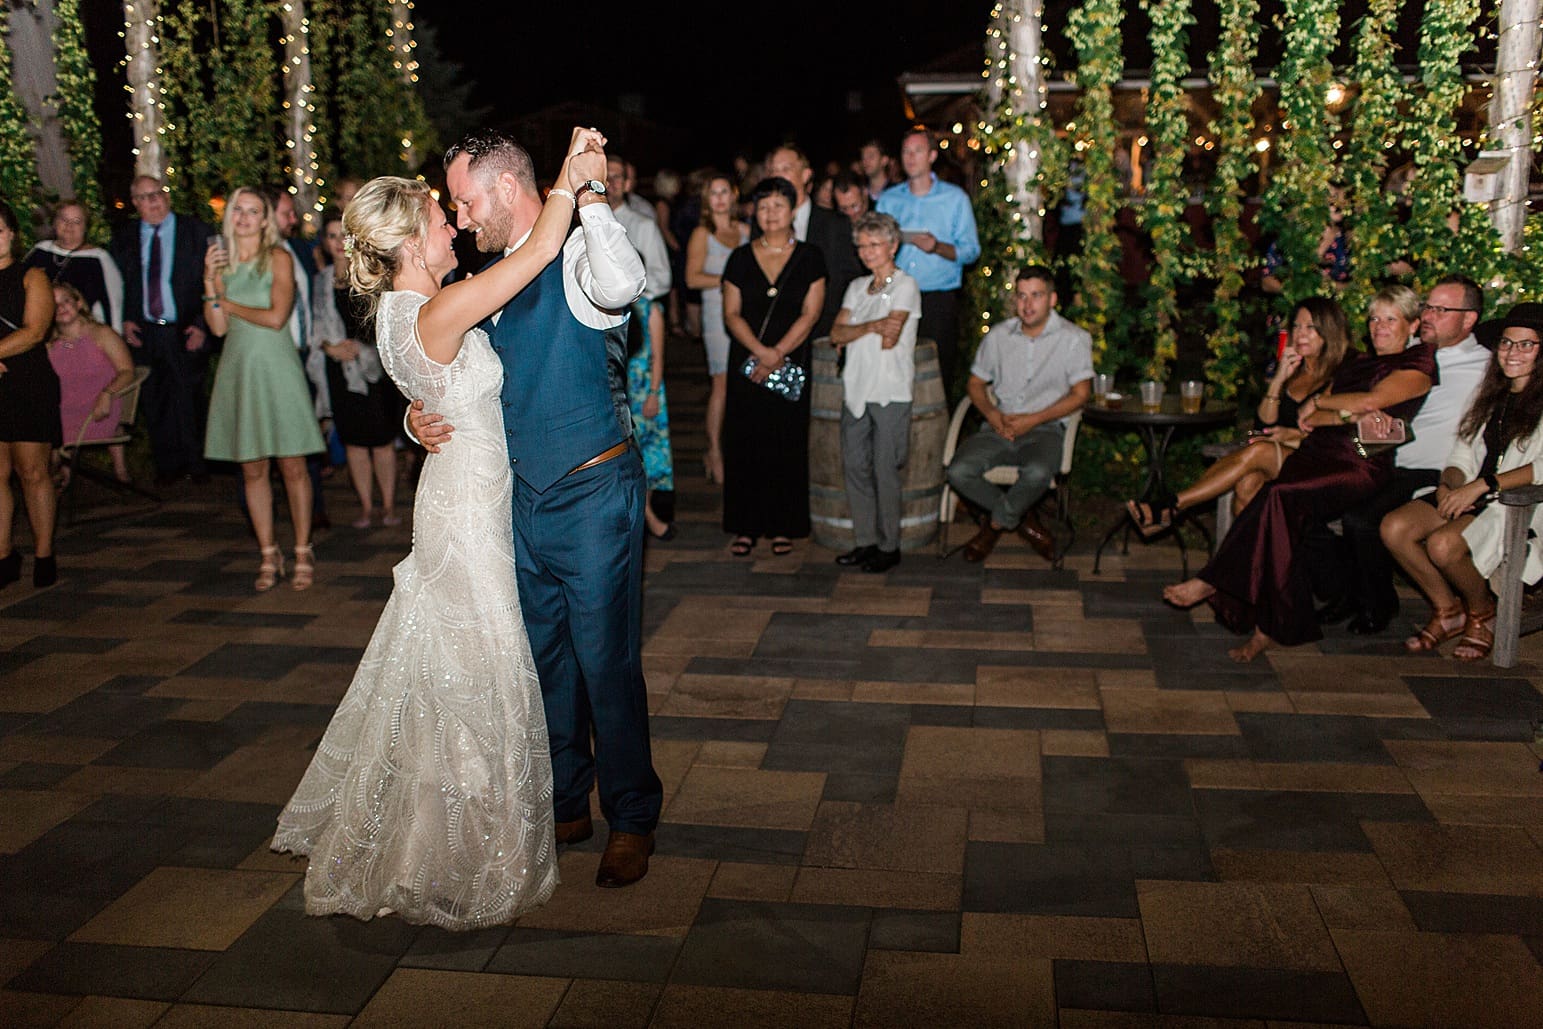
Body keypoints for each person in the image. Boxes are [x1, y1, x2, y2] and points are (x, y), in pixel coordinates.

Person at [274, 133, 596, 927]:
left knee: (448, 669)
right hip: (468, 509)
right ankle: (472, 846)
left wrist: (422, 421)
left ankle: (442, 834)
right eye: (439, 217)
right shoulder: (443, 305)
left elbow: (433, 385)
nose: (453, 224)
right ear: (413, 241)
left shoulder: (397, 314)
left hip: (458, 491)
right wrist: (566, 172)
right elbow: (544, 245)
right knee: (478, 668)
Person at [416, 128, 661, 889]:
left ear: (509, 189)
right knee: (544, 659)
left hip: (591, 494)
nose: (458, 217)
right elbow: (445, 375)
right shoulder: (490, 279)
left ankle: (631, 815)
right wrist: (413, 419)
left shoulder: (583, 255)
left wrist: (588, 197)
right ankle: (565, 797)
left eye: (465, 199)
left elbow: (625, 286)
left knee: (606, 662)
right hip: (515, 502)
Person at [1163, 288, 1436, 662]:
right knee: (1270, 507)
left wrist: (1326, 403)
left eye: (1390, 319)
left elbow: (1368, 406)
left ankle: (1214, 578)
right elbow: (1316, 421)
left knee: (1275, 495)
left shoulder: (1417, 365)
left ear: (1413, 325)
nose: (1379, 327)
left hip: (1360, 463)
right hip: (1318, 452)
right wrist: (1336, 412)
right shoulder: (1356, 364)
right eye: (1374, 319)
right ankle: (1268, 627)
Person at [1312, 275, 1490, 633]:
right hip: (1385, 459)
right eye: (1427, 307)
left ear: (1468, 319)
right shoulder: (1410, 357)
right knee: (1314, 505)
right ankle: (1348, 592)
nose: (1429, 316)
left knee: (1361, 521)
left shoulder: (1487, 367)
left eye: (1441, 310)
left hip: (1434, 471)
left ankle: (1378, 604)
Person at [1380, 304, 1543, 661]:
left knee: (1442, 545)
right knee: (1395, 527)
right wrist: (1449, 483)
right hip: (1475, 491)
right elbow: (1462, 453)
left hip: (1516, 502)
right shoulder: (1490, 395)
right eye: (1506, 343)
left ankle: (1481, 610)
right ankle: (1447, 609)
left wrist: (1483, 485)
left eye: (1526, 345)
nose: (1513, 353)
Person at [1126, 296, 1349, 534]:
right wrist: (1279, 379)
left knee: (1259, 450)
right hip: (1280, 459)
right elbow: (1263, 423)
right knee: (1247, 484)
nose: (1300, 334)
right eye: (1296, 326)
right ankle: (1249, 563)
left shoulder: (1340, 376)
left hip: (1320, 465)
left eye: (1310, 328)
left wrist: (1291, 435)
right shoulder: (1294, 371)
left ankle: (1171, 507)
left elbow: (1338, 432)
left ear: (1329, 331)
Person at [201, 187, 326, 592]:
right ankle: (268, 552)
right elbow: (217, 328)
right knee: (252, 469)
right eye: (238, 209)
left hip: (277, 367)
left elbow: (275, 317)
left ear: (266, 219)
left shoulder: (278, 258)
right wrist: (209, 282)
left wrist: (227, 302)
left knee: (292, 466)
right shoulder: (220, 264)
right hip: (238, 368)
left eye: (253, 211)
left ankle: (303, 549)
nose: (244, 217)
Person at [947, 266, 1092, 564]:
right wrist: (992, 414)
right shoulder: (999, 336)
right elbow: (975, 383)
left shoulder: (1073, 338)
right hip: (999, 425)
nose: (1027, 305)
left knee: (1038, 472)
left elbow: (1081, 394)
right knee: (958, 472)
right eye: (1022, 296)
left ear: (1052, 299)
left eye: (1036, 296)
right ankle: (1022, 521)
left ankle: (994, 525)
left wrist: (1033, 419)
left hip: (1046, 428)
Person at [721, 176, 828, 556]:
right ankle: (746, 526)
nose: (770, 213)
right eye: (763, 206)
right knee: (746, 443)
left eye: (778, 205)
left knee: (786, 443)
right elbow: (731, 314)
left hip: (791, 359)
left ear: (793, 209)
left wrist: (777, 352)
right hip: (748, 363)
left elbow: (811, 313)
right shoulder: (739, 257)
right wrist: (760, 353)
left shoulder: (811, 256)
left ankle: (784, 525)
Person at [828, 212, 920, 573]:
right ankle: (865, 541)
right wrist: (870, 326)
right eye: (862, 245)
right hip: (856, 388)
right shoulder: (856, 287)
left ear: (893, 245)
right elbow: (836, 334)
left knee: (885, 469)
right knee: (855, 467)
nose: (866, 252)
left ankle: (889, 545)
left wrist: (858, 330)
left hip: (891, 389)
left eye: (874, 244)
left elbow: (891, 337)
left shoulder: (906, 285)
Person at [110, 176, 214, 484]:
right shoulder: (125, 236)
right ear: (135, 203)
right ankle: (167, 468)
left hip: (184, 329)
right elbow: (123, 281)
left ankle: (197, 465)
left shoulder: (195, 232)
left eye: (156, 194)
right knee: (154, 400)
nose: (152, 201)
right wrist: (127, 319)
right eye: (144, 197)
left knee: (189, 398)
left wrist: (201, 325)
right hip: (144, 331)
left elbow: (214, 281)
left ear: (166, 196)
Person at [312, 210, 401, 528]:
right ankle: (366, 506)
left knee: (381, 439)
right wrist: (328, 347)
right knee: (352, 440)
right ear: (324, 241)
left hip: (373, 370)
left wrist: (361, 349)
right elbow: (313, 327)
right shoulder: (319, 282)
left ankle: (389, 505)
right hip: (338, 370)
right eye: (332, 236)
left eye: (343, 236)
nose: (338, 243)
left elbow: (383, 322)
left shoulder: (369, 274)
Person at [877, 130, 982, 391]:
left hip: (937, 299)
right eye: (906, 152)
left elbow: (971, 251)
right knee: (893, 369)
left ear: (932, 156)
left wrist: (937, 247)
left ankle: (938, 430)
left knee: (935, 373)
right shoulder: (889, 199)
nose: (911, 158)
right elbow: (873, 245)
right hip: (895, 294)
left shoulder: (955, 198)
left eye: (918, 151)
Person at [0, 199, 60, 589]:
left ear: (11, 234)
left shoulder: (32, 275)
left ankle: (43, 554)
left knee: (33, 471)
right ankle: (3, 556)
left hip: (26, 383)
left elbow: (35, 331)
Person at [684, 172, 748, 484]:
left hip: (747, 315)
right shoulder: (702, 233)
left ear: (734, 196)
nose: (720, 198)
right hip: (716, 313)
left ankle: (740, 448)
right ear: (707, 200)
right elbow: (692, 278)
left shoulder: (747, 230)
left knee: (745, 380)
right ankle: (714, 451)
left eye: (725, 191)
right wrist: (730, 281)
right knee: (721, 383)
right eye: (714, 193)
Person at [762, 145, 860, 339]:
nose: (778, 176)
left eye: (786, 169)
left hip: (823, 333)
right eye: (773, 171)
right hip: (775, 332)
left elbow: (849, 278)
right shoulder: (762, 224)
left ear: (806, 175)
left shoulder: (835, 224)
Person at [47, 283, 135, 485]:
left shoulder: (102, 334)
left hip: (98, 409)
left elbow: (127, 371)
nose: (61, 307)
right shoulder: (49, 344)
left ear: (78, 303)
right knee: (41, 433)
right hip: (63, 412)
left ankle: (118, 474)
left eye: (66, 301)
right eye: (54, 304)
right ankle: (58, 478)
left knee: (53, 439)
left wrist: (107, 393)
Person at [25, 200, 124, 330]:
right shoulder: (40, 251)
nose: (69, 226)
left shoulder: (98, 258)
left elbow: (114, 306)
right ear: (54, 223)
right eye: (63, 219)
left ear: (85, 227)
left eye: (77, 221)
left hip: (82, 333)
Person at [628, 295, 674, 539]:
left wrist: (654, 392)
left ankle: (646, 515)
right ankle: (648, 518)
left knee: (649, 457)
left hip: (644, 390)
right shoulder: (605, 306)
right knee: (630, 458)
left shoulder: (649, 309)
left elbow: (658, 355)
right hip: (618, 390)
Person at [608, 155, 672, 303]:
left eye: (616, 177)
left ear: (627, 185)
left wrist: (631, 297)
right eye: (604, 176)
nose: (609, 183)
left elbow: (662, 278)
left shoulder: (644, 225)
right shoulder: (585, 222)